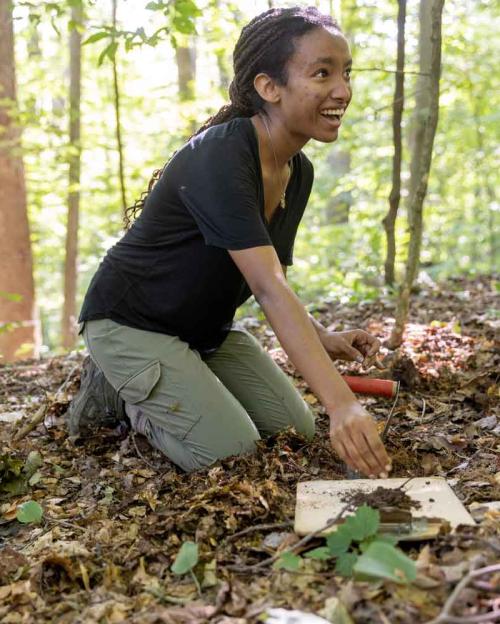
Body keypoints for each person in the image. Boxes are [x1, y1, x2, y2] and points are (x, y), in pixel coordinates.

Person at [68, 6, 392, 478]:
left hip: (203, 332)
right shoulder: (223, 155)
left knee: (294, 430)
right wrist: (343, 406)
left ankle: (174, 383)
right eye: (322, 73)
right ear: (269, 87)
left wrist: (324, 338)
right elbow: (267, 290)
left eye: (346, 73)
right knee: (232, 454)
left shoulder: (296, 171)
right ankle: (127, 399)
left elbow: (272, 279)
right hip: (130, 324)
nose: (342, 90)